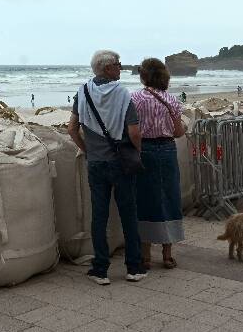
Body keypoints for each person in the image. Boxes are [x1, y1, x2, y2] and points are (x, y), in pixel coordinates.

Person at [68, 50, 146, 286]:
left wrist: (88, 150)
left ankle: (100, 269)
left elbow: (72, 128)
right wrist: (137, 151)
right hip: (120, 162)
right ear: (108, 68)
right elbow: (133, 131)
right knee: (128, 214)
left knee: (99, 216)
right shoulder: (122, 93)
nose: (121, 68)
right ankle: (134, 267)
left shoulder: (83, 91)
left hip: (96, 164)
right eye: (119, 65)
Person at [131, 58, 186, 270]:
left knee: (145, 198)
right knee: (169, 198)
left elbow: (133, 131)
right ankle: (167, 254)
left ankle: (145, 255)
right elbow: (179, 132)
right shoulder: (171, 100)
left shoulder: (134, 98)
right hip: (168, 150)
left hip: (145, 150)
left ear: (144, 75)